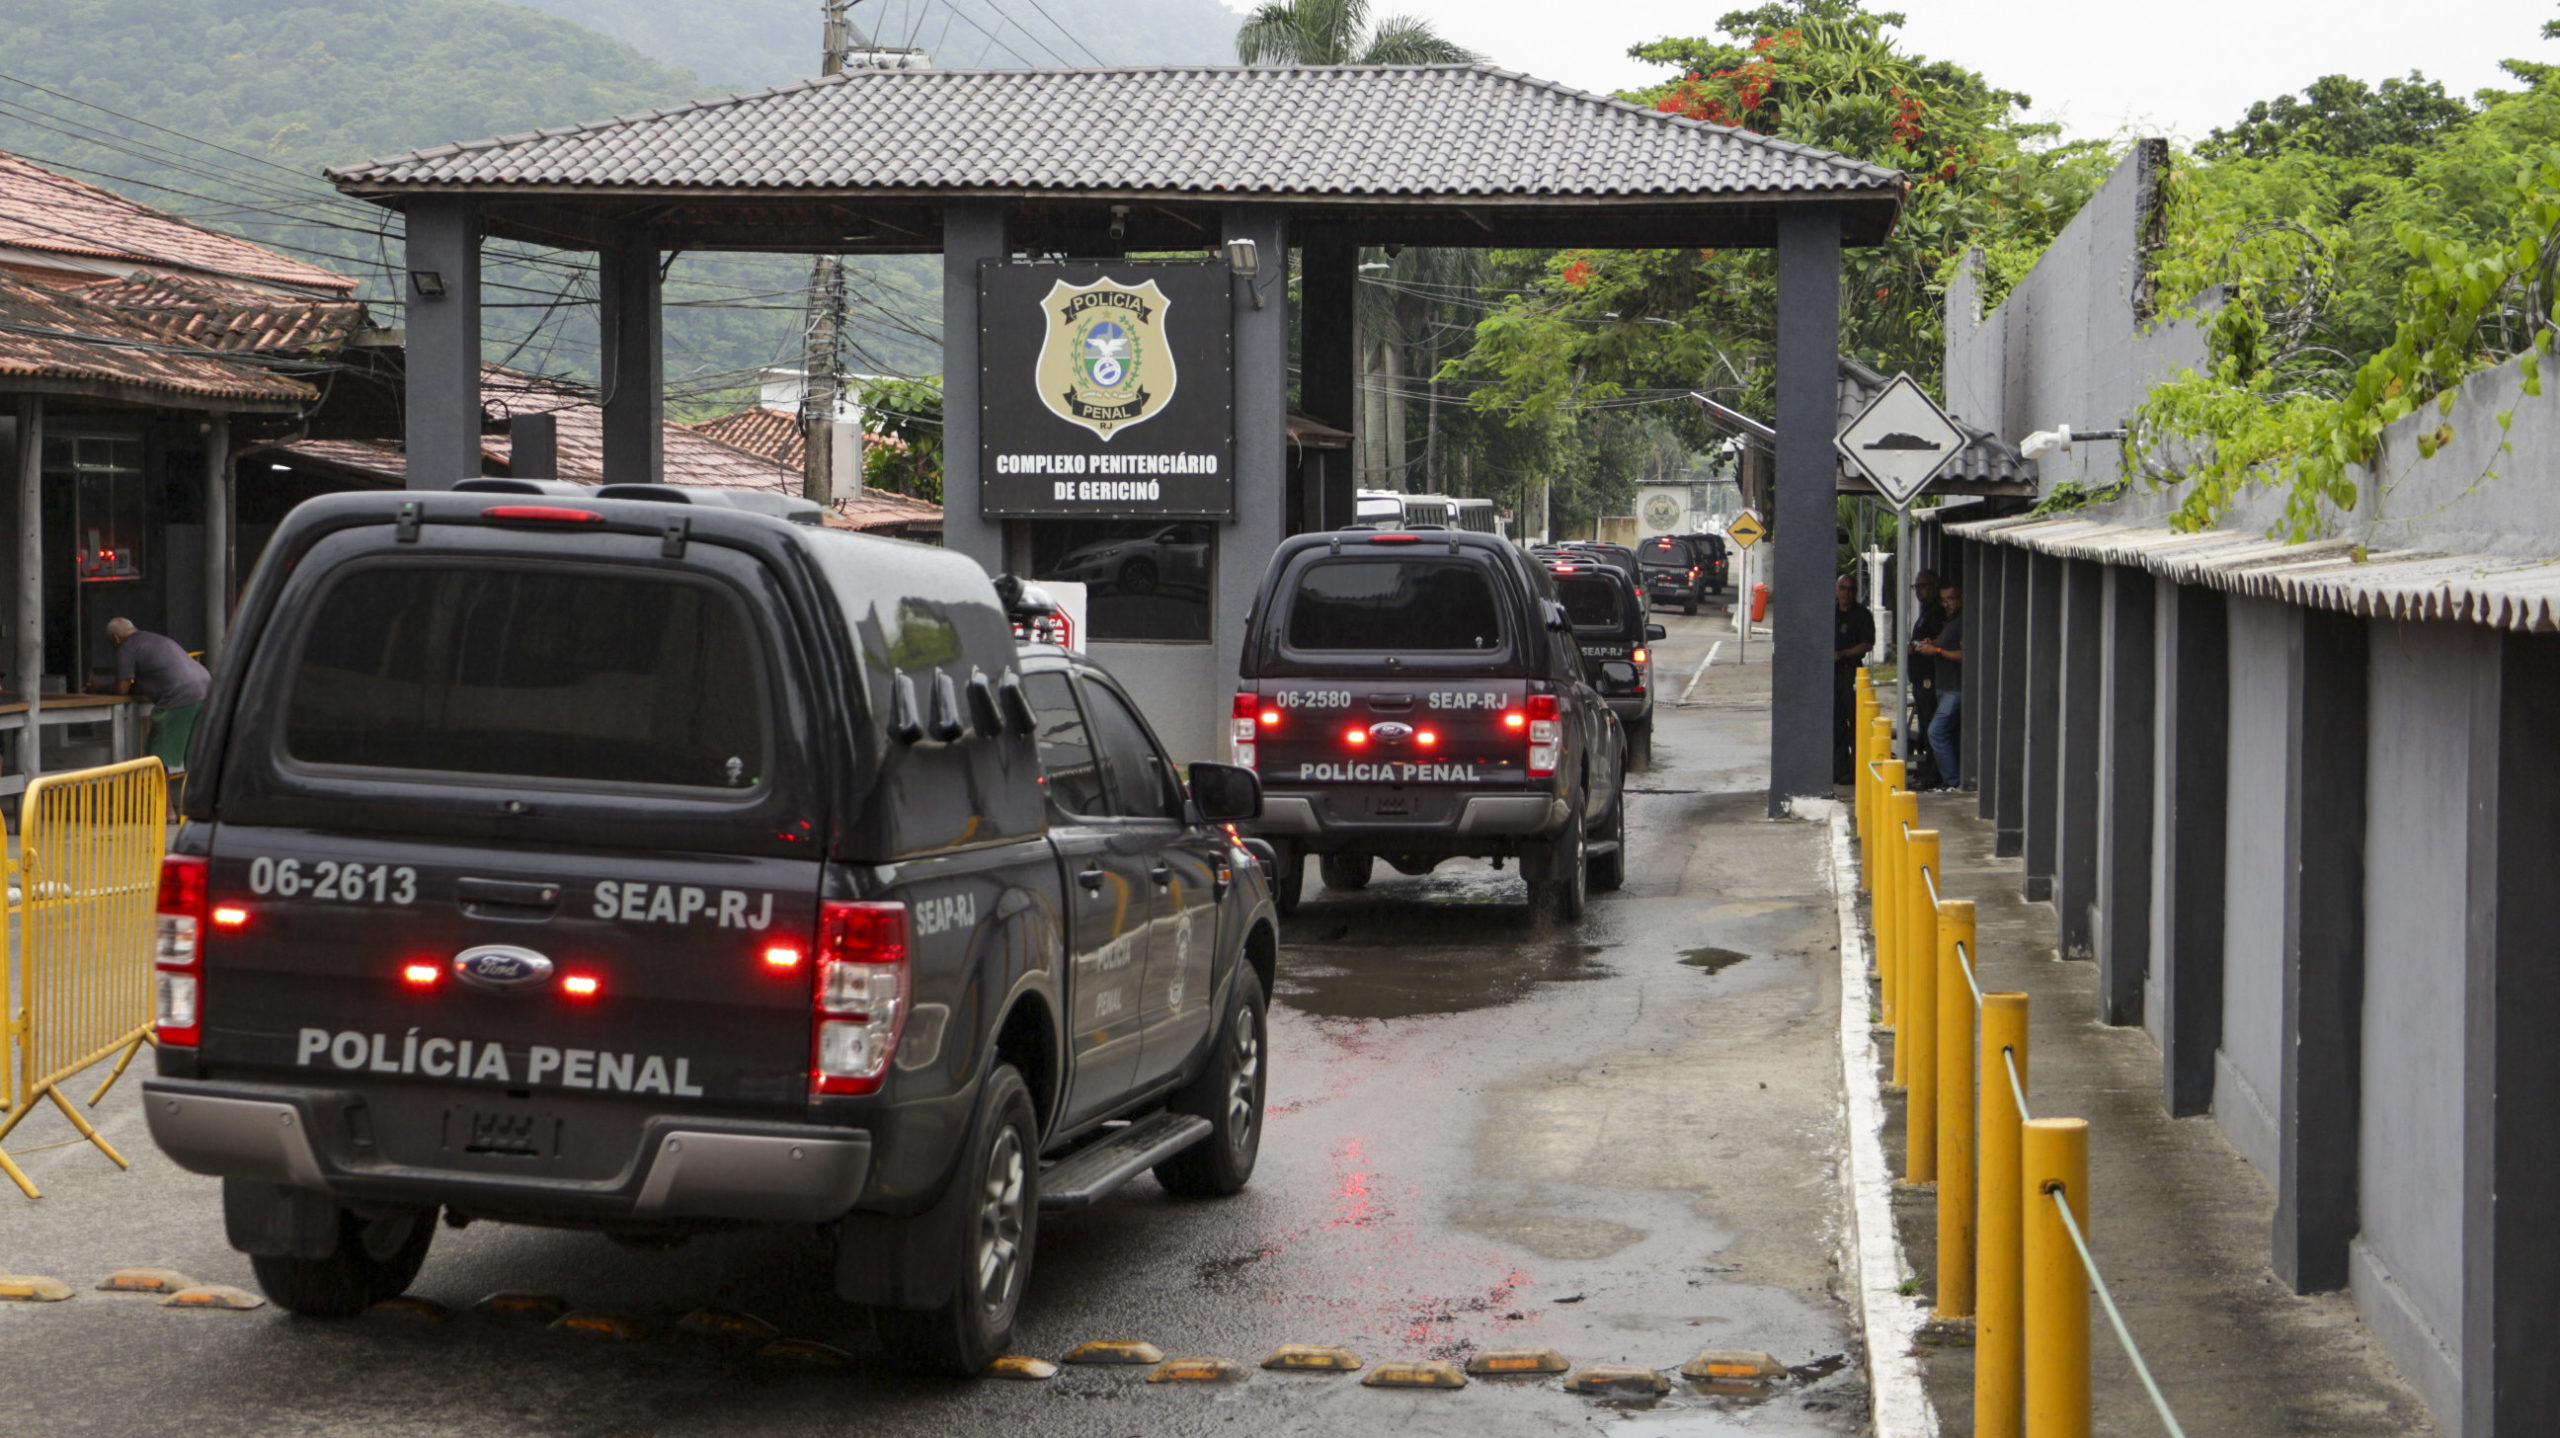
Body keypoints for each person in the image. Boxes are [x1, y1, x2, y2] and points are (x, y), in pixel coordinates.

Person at [104, 618, 212, 777]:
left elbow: (122, 689)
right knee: (195, 755)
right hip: (206, 690)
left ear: (116, 638)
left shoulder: (126, 647)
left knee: (158, 758)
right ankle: (198, 800)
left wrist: (99, 687)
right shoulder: (156, 639)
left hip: (179, 696)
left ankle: (165, 803)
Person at [1916, 582, 1964, 788]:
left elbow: (1964, 655)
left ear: (1960, 597)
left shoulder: (1964, 621)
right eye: (1944, 600)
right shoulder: (1950, 620)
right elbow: (1943, 641)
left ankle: (1952, 780)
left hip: (1956, 687)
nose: (1947, 604)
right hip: (1943, 686)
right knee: (1949, 734)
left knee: (1936, 731)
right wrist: (1931, 643)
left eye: (1951, 599)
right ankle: (1951, 778)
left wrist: (1936, 652)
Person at [1833, 572, 1876, 783]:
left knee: (1855, 723)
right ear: (1836, 590)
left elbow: (1867, 644)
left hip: (1852, 672)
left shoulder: (1862, 615)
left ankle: (1855, 769)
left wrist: (1843, 654)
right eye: (1843, 588)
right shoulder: (1831, 612)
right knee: (1836, 723)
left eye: (1850, 589)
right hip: (1832, 675)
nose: (1846, 593)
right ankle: (1838, 769)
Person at [1905, 569, 1946, 757]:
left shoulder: (1937, 612)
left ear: (1934, 586)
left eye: (1923, 586)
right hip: (1918, 678)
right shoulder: (1925, 611)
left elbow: (1937, 639)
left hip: (1928, 678)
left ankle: (1932, 771)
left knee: (1930, 723)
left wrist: (1915, 646)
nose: (1918, 591)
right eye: (1916, 587)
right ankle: (1926, 768)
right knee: (1923, 722)